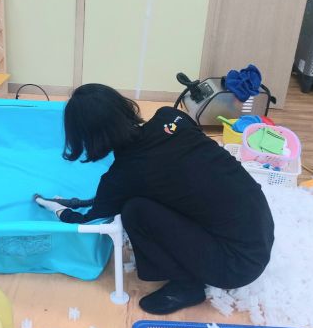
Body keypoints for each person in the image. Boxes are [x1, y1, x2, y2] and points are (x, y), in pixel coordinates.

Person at [36, 83, 274, 315]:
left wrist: (58, 209)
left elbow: (89, 222)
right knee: (166, 191)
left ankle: (186, 287)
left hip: (235, 265)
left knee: (135, 211)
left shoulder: (122, 177)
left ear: (88, 137)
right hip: (259, 229)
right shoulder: (170, 117)